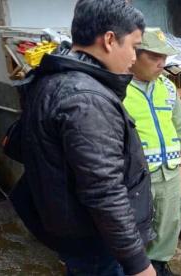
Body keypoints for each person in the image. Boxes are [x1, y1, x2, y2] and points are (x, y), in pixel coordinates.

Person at [11, 0, 156, 275]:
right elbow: (105, 192)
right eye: (134, 46)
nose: (135, 58)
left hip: (74, 233)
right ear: (110, 40)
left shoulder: (52, 78)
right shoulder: (86, 99)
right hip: (98, 242)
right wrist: (138, 263)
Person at [123, 28, 181, 276]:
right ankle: (140, 269)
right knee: (138, 225)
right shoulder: (119, 90)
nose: (162, 63)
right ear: (134, 55)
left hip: (170, 172)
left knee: (170, 221)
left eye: (165, 57)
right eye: (154, 57)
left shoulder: (168, 88)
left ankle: (159, 265)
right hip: (138, 176)